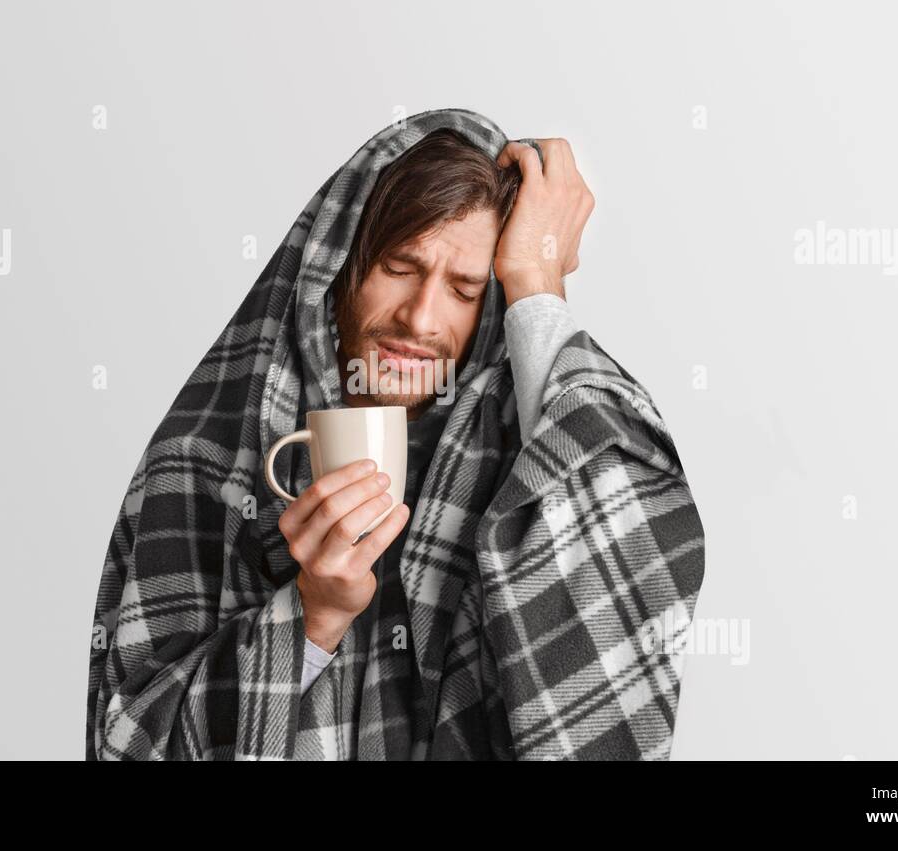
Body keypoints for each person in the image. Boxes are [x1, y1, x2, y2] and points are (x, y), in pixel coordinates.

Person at [86, 109, 706, 760]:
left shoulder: (518, 456)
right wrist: (311, 617)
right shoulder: (203, 464)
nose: (421, 316)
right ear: (339, 273)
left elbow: (632, 557)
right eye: (401, 267)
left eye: (464, 288)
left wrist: (536, 282)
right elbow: (125, 745)